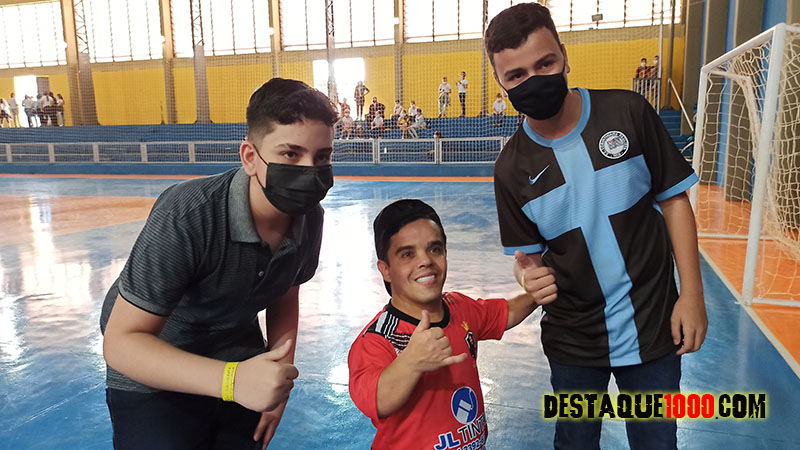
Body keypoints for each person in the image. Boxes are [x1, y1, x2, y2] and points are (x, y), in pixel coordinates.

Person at [486, 4, 707, 449]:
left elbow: (674, 202)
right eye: (516, 75)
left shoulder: (627, 112)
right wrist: (527, 276)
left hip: (653, 326)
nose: (533, 80)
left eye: (544, 64)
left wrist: (692, 295)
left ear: (565, 56)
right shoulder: (511, 168)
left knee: (656, 441)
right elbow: (527, 256)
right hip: (573, 340)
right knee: (575, 441)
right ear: (500, 81)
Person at [99, 78, 338, 450]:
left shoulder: (309, 217)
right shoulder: (188, 214)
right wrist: (231, 381)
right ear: (250, 157)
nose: (309, 170)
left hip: (238, 356)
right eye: (291, 154)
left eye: (321, 157)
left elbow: (285, 294)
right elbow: (121, 344)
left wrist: (279, 381)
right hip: (155, 366)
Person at [348, 199, 550, 450]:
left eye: (435, 249)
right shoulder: (377, 339)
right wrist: (411, 362)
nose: (425, 261)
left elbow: (505, 313)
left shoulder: (459, 307)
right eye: (407, 254)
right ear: (385, 270)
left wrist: (536, 292)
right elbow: (377, 402)